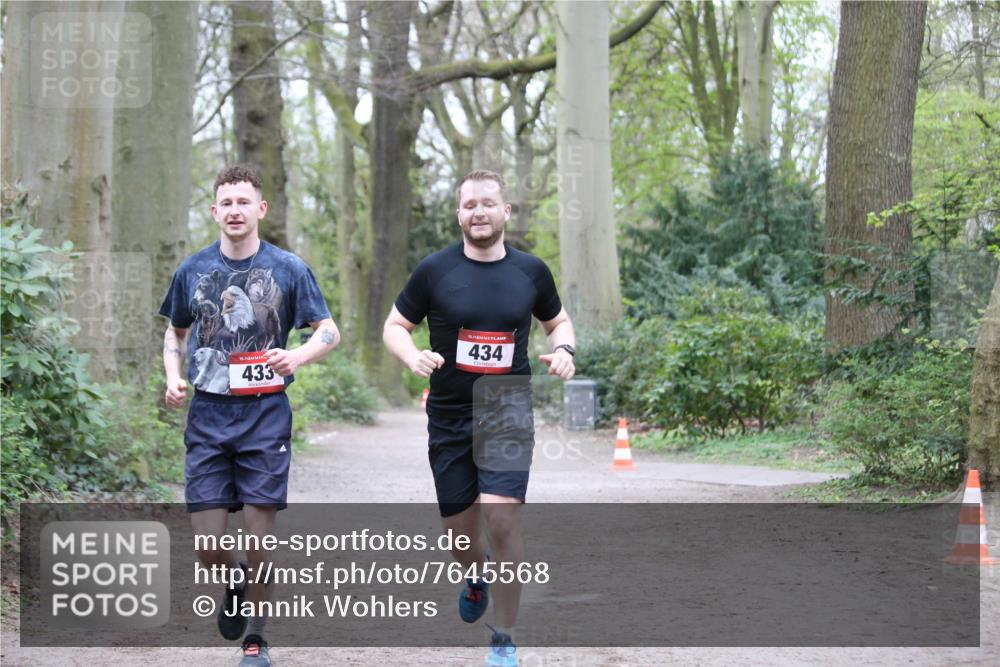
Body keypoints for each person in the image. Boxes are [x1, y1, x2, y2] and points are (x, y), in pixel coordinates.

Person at [383, 169, 576, 667]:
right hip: (448, 413)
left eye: (488, 203)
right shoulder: (434, 271)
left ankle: (503, 636)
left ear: (505, 211)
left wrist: (565, 350)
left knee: (501, 517)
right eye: (470, 205)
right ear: (459, 214)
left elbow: (556, 322)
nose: (479, 212)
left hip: (506, 406)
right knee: (459, 531)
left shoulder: (531, 271)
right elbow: (395, 326)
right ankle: (475, 573)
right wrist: (411, 357)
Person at [160, 165, 339, 667]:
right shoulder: (192, 270)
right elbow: (175, 332)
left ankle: (256, 640)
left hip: (265, 415)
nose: (235, 211)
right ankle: (233, 578)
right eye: (226, 203)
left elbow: (328, 330)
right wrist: (173, 376)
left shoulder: (287, 268)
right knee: (208, 545)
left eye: (244, 202)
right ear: (214, 211)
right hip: (208, 415)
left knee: (261, 539)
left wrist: (297, 357)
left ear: (260, 209)